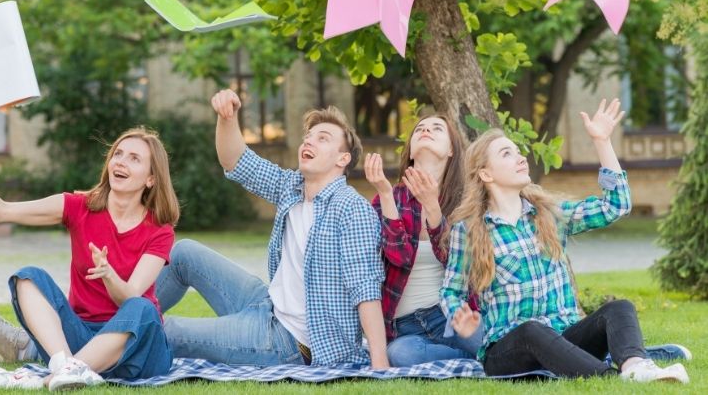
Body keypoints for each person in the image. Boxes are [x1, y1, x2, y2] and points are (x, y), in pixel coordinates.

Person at [441, 99, 689, 383]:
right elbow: (451, 291)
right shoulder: (469, 229)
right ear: (485, 173)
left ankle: (636, 367)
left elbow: (616, 206)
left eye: (519, 152)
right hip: (508, 350)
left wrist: (602, 142)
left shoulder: (550, 215)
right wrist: (461, 318)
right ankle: (606, 377)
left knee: (619, 308)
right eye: (507, 154)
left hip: (566, 338)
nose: (521, 157)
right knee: (532, 330)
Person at [152, 89, 388, 367]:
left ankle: (107, 342)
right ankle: (110, 321)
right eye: (308, 137)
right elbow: (235, 161)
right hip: (265, 303)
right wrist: (227, 117)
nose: (308, 142)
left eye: (322, 138)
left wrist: (379, 361)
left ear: (342, 159)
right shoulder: (292, 188)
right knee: (184, 254)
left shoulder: (352, 208)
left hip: (289, 341)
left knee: (171, 331)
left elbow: (366, 289)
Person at [0, 127, 179, 390]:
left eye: (134, 158)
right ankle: (66, 368)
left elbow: (130, 295)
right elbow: (2, 211)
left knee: (142, 308)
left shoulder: (159, 230)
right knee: (27, 277)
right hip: (82, 337)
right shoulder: (79, 206)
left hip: (138, 347)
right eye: (118, 154)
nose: (120, 161)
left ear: (151, 179)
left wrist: (109, 275)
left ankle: (52, 376)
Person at [364, 114, 482, 366]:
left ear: (451, 149)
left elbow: (460, 264)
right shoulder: (389, 198)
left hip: (452, 317)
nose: (426, 130)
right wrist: (384, 194)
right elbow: (400, 257)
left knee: (484, 337)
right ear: (411, 151)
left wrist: (432, 207)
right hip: (406, 327)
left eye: (436, 128)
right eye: (420, 129)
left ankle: (483, 354)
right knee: (399, 355)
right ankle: (482, 361)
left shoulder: (467, 201)